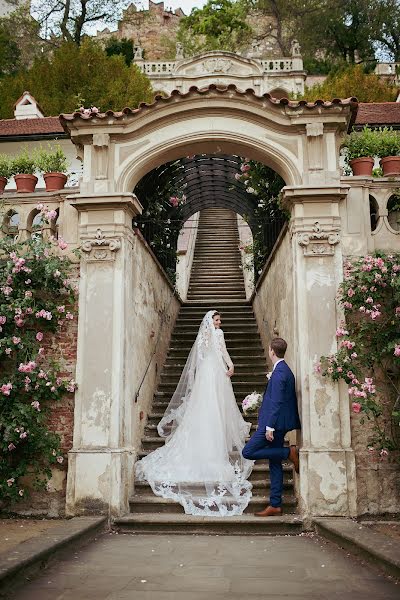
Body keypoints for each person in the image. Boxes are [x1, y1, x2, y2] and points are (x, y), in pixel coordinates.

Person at [135, 310, 253, 516]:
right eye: (216, 320)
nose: (219, 323)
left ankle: (214, 441)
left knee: (213, 405)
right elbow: (211, 354)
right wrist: (223, 360)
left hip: (211, 373)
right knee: (209, 406)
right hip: (211, 373)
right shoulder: (211, 334)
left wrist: (228, 365)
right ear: (211, 321)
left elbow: (212, 355)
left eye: (220, 320)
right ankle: (208, 443)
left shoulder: (212, 334)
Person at [242, 337, 301, 516]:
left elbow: (276, 402)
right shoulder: (283, 370)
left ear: (271, 352)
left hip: (273, 425)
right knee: (274, 463)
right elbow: (275, 399)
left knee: (248, 451)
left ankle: (288, 452)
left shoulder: (280, 373)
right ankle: (275, 504)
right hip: (276, 423)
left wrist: (269, 427)